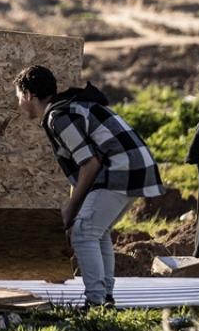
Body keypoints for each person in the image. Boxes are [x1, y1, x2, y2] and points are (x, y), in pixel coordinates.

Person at [13, 65, 165, 309]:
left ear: (29, 95)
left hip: (123, 168)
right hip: (136, 166)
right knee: (97, 231)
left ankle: (95, 301)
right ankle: (105, 297)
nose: (19, 102)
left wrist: (70, 212)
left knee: (84, 233)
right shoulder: (68, 108)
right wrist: (72, 212)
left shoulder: (58, 117)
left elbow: (90, 164)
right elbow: (83, 173)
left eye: (19, 96)